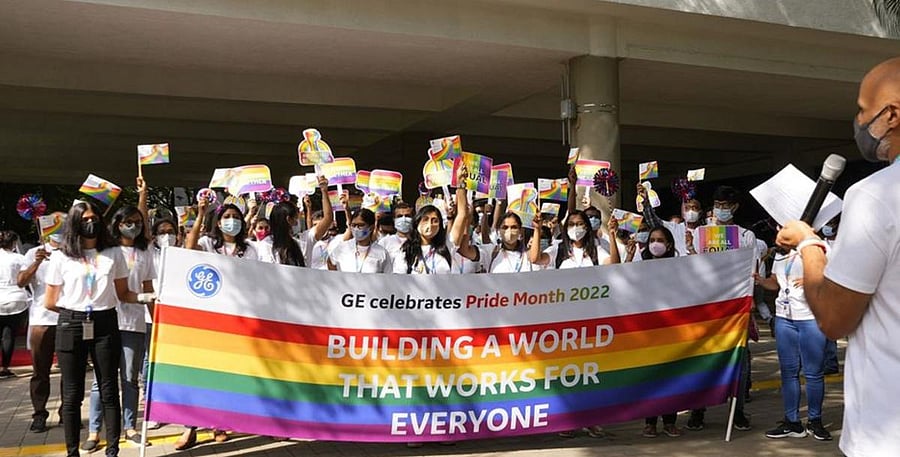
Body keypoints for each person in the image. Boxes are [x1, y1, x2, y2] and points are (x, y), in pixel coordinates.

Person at [775, 56, 900, 456]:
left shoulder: (877, 195)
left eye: (863, 109)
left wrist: (810, 245)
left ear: (891, 115)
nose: (859, 122)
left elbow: (833, 317)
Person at [44, 200, 148, 457]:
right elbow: (50, 301)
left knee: (109, 387)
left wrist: (149, 297)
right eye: (84, 219)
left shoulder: (113, 254)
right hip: (71, 322)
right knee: (72, 394)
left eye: (94, 219)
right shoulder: (61, 256)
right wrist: (75, 314)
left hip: (105, 323)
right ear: (75, 223)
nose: (90, 223)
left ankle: (112, 450)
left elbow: (123, 293)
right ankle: (72, 452)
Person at [83, 205, 156, 450]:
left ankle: (130, 427)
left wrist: (157, 322)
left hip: (134, 323)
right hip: (105, 320)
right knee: (101, 380)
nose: (133, 226)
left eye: (137, 221)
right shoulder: (105, 251)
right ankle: (94, 431)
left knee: (129, 379)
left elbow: (148, 289)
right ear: (116, 223)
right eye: (128, 221)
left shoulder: (145, 252)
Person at [755, 250, 831, 441]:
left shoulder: (819, 248)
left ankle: (815, 421)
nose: (781, 231)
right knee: (788, 372)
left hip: (810, 317)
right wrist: (761, 281)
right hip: (784, 318)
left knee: (813, 373)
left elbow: (835, 279)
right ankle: (792, 422)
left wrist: (814, 281)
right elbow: (775, 282)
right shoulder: (780, 254)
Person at [637, 227, 683, 438]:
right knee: (651, 378)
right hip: (648, 331)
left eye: (660, 240)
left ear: (669, 244)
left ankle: (670, 421)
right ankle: (650, 422)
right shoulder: (641, 267)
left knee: (670, 378)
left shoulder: (678, 267)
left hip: (671, 330)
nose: (656, 244)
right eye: (652, 240)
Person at [18, 219, 63, 432]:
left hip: (67, 318)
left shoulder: (73, 251)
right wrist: (36, 262)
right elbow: (21, 281)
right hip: (41, 320)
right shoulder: (34, 253)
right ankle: (39, 414)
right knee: (40, 371)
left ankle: (68, 412)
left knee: (71, 372)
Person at [185, 199, 258, 261]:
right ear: (219, 223)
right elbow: (190, 248)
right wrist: (200, 215)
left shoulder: (248, 249)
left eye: (236, 217)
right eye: (227, 217)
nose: (232, 220)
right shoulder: (208, 242)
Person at [0, 230, 28, 379]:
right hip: (15, 298)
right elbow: (25, 278)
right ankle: (5, 367)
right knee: (8, 334)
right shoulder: (19, 258)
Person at [328, 208, 391, 273]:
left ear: (371, 227)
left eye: (361, 225)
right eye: (353, 225)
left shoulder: (382, 253)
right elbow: (330, 262)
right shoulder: (342, 247)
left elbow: (388, 275)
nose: (356, 228)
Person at [258, 202, 306, 266]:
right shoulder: (267, 245)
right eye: (296, 219)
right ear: (288, 219)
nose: (297, 223)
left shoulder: (296, 243)